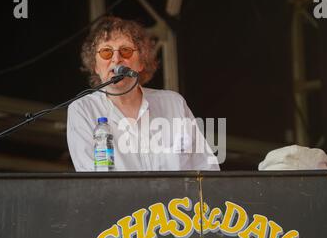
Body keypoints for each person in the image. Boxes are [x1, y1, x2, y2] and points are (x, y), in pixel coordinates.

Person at [67, 16, 220, 172]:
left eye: (125, 51)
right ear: (95, 67)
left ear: (141, 62)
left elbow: (207, 170)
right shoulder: (82, 110)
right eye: (106, 52)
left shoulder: (174, 104)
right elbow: (90, 184)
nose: (116, 59)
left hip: (174, 197)